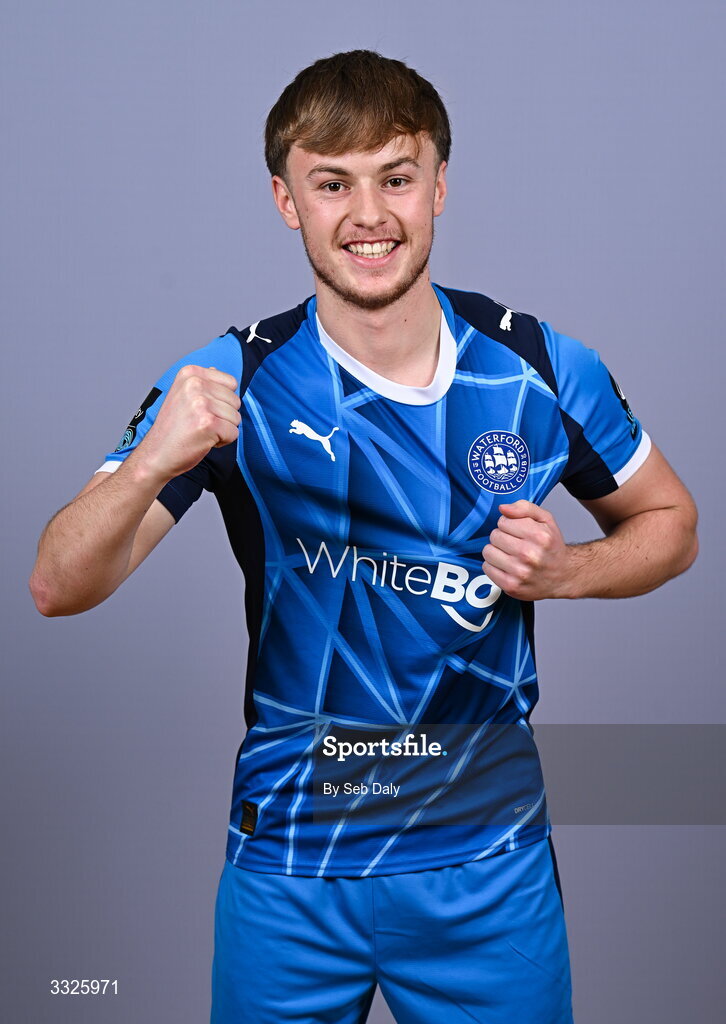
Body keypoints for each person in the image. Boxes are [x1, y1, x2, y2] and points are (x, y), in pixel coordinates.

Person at [30, 49, 698, 1024]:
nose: (370, 214)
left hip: (484, 868)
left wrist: (569, 569)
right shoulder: (233, 378)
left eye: (396, 176)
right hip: (292, 866)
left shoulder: (539, 365)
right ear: (285, 200)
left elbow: (673, 525)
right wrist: (146, 465)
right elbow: (58, 582)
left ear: (439, 186)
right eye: (331, 183)